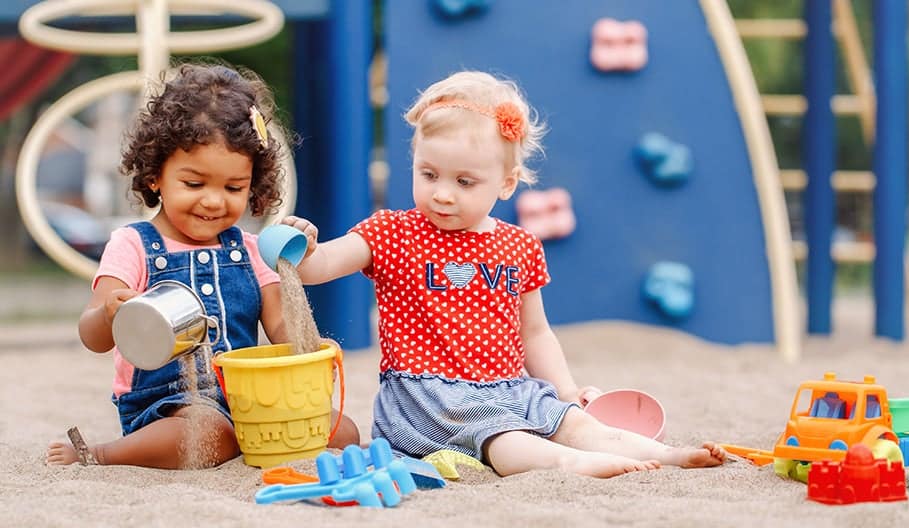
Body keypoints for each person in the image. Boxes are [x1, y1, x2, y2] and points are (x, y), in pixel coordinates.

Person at [282, 70, 726, 478]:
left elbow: (535, 333)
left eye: (464, 182)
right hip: (430, 400)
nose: (442, 194)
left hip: (509, 389)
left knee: (573, 420)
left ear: (506, 183)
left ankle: (663, 453)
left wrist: (567, 391)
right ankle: (572, 464)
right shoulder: (392, 232)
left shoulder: (519, 245)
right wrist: (302, 245)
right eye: (429, 174)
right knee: (509, 441)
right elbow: (318, 268)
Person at [46, 63, 359, 469]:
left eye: (233, 188)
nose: (213, 200)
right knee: (207, 434)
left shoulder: (249, 250)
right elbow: (93, 337)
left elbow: (282, 325)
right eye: (194, 184)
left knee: (344, 430)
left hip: (251, 398)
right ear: (156, 175)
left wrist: (311, 348)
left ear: (254, 184)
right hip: (169, 405)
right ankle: (103, 454)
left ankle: (248, 439)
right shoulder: (134, 245)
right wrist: (111, 314)